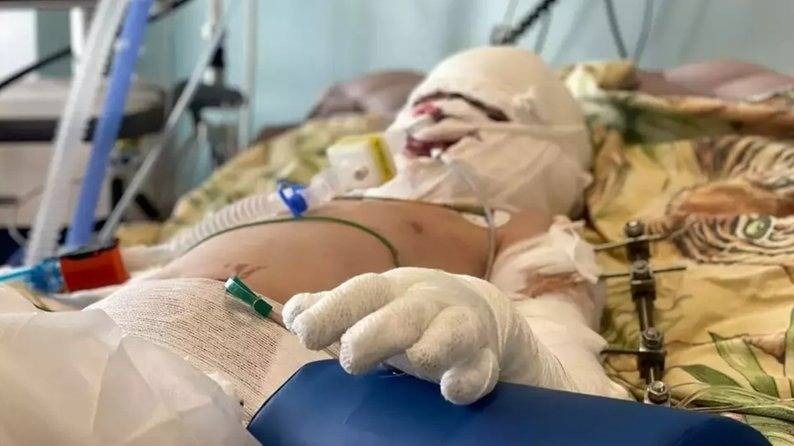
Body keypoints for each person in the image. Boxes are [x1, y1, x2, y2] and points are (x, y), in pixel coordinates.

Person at [0, 47, 629, 445]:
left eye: (478, 113)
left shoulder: (520, 224)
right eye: (424, 106)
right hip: (79, 339)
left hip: (230, 398)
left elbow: (572, 373)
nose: (432, 120)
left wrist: (494, 324)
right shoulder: (316, 198)